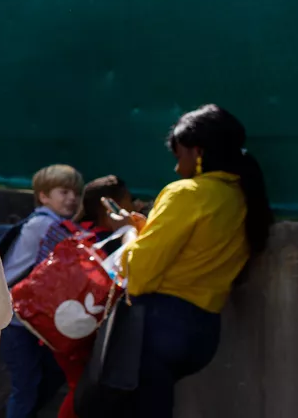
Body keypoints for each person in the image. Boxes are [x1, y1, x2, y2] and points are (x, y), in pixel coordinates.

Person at [113, 105, 272, 417]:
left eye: (179, 156)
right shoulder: (243, 196)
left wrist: (128, 237)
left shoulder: (185, 193)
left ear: (198, 151)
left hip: (159, 326)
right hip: (204, 332)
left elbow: (138, 272)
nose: (176, 168)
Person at [0, 164, 82, 418]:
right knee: (25, 387)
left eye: (76, 193)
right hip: (16, 319)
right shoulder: (47, 226)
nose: (72, 198)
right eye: (64, 192)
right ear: (44, 196)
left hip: (21, 318)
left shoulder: (43, 222)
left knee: (33, 383)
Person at [54, 174, 134, 417]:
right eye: (128, 200)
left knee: (79, 389)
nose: (132, 206)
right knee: (82, 394)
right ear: (111, 207)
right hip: (83, 333)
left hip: (58, 324)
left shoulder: (77, 233)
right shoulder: (110, 244)